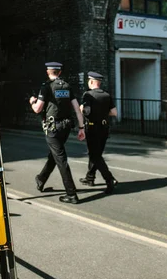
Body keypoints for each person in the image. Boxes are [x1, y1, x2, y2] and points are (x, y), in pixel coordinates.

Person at [29, 62, 86, 204]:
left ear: (48, 72)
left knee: (61, 159)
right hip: (66, 127)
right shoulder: (67, 86)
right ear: (59, 72)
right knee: (55, 155)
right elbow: (77, 109)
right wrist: (81, 127)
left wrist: (32, 102)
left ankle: (71, 194)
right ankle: (41, 179)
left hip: (53, 128)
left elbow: (37, 109)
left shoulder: (46, 86)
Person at [78, 71, 118, 194]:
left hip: (92, 128)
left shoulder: (88, 95)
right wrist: (103, 112)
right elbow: (114, 113)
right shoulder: (106, 95)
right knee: (96, 154)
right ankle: (90, 178)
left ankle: (109, 179)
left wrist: (81, 109)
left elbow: (86, 111)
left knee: (95, 155)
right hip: (104, 128)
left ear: (91, 81)